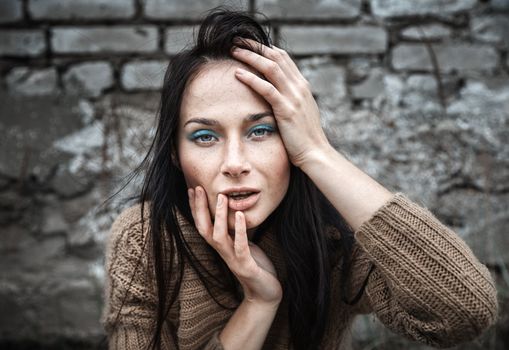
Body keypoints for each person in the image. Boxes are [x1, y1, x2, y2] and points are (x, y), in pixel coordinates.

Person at [101, 8, 498, 350]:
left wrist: (317, 151)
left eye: (261, 131)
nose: (235, 163)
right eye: (205, 136)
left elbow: (464, 311)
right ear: (175, 153)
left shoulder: (332, 238)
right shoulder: (145, 240)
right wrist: (259, 300)